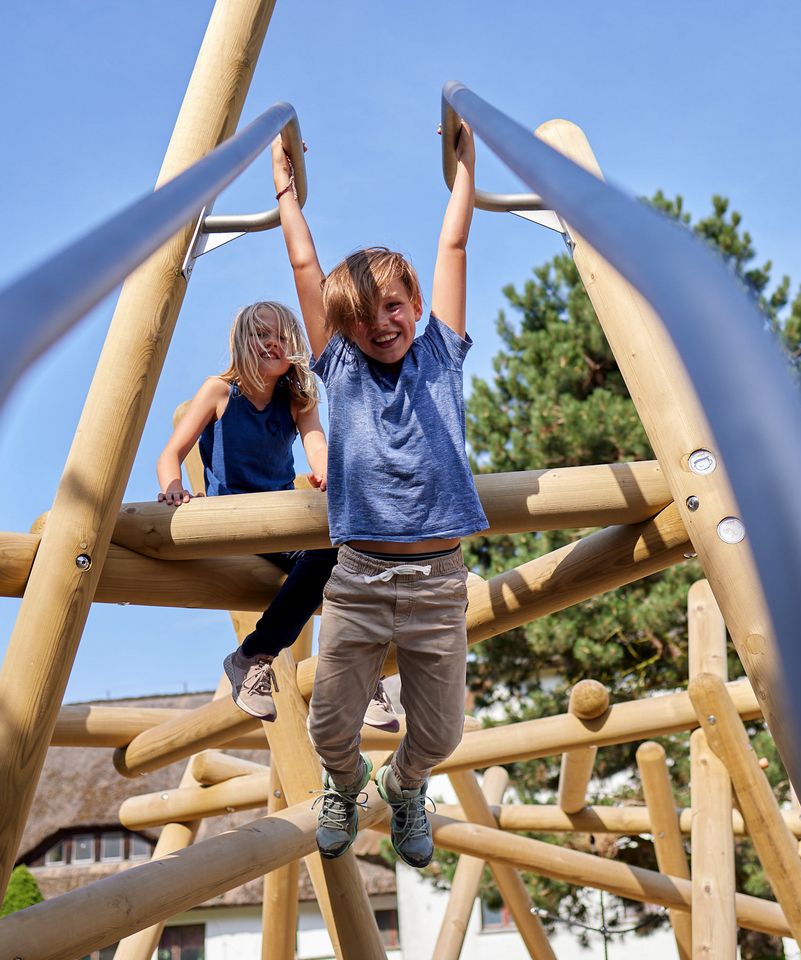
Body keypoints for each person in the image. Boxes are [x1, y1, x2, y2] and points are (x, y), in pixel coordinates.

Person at [273, 122, 485, 868]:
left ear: (416, 304)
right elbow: (305, 263)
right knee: (329, 726)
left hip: (437, 583)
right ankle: (346, 781)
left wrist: (464, 175)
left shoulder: (441, 356)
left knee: (443, 733)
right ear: (343, 332)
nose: (380, 324)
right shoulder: (342, 371)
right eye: (361, 319)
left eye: (392, 307)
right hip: (358, 580)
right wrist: (285, 194)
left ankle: (407, 784)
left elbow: (453, 248)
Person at [156, 301, 399, 730]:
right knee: (329, 554)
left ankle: (355, 675)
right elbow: (171, 453)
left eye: (282, 336)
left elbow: (317, 444)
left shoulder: (298, 399)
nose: (272, 343)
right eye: (261, 335)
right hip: (235, 519)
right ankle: (255, 656)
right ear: (242, 343)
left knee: (356, 560)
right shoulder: (219, 391)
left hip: (280, 520)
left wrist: (325, 471)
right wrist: (173, 487)